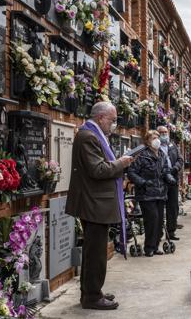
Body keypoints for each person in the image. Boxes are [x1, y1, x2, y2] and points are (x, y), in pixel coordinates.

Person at [65, 102, 135, 310]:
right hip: (93, 203)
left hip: (96, 202)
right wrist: (121, 163)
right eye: (112, 120)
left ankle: (91, 291)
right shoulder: (88, 137)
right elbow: (98, 170)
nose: (113, 125)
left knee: (93, 250)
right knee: (95, 253)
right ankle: (92, 297)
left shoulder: (93, 135)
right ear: (101, 117)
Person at [127, 130, 176, 257]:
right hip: (146, 194)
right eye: (154, 137)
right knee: (152, 219)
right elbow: (131, 172)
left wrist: (169, 177)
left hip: (160, 193)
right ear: (148, 141)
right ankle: (148, 247)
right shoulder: (142, 156)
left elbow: (166, 170)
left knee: (159, 221)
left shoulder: (162, 154)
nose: (157, 140)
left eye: (158, 137)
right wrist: (142, 182)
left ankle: (156, 246)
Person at [157, 125, 184, 240]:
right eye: (161, 133)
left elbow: (180, 159)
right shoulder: (155, 147)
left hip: (173, 179)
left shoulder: (173, 146)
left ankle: (171, 231)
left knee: (173, 207)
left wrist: (175, 168)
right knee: (159, 207)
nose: (164, 134)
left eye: (165, 132)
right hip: (160, 180)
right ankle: (158, 233)